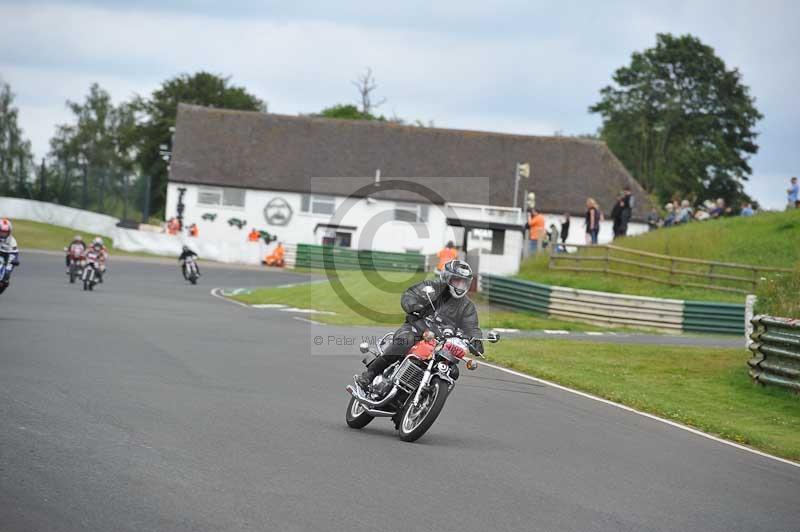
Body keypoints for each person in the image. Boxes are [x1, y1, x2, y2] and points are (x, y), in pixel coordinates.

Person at [356, 260, 482, 390]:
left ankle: (426, 394)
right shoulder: (431, 288)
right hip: (416, 328)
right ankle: (369, 375)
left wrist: (476, 339)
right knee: (404, 342)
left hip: (441, 341)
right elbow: (410, 295)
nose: (460, 285)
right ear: (447, 278)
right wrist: (415, 306)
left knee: (453, 371)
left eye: (464, 282)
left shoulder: (467, 306)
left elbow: (472, 326)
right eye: (457, 281)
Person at [0, 218, 20, 295]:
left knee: (6, 279)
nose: (3, 234)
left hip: (4, 260)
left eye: (5, 232)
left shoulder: (12, 241)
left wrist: (15, 260)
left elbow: (14, 254)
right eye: (1, 232)